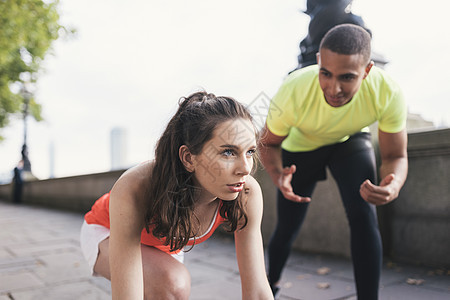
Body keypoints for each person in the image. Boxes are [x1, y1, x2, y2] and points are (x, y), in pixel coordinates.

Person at [259, 24, 408, 299]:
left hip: (348, 141)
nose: (334, 88)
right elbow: (268, 143)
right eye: (325, 74)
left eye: (347, 77)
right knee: (288, 225)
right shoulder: (293, 90)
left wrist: (394, 184)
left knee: (364, 215)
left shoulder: (388, 92)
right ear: (318, 62)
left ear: (367, 71)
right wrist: (277, 173)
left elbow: (395, 156)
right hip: (301, 148)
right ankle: (270, 285)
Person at [80, 91, 273, 299]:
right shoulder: (135, 187)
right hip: (106, 230)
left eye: (250, 152)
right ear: (189, 158)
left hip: (165, 244)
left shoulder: (246, 192)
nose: (245, 168)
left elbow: (258, 290)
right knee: (173, 285)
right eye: (228, 152)